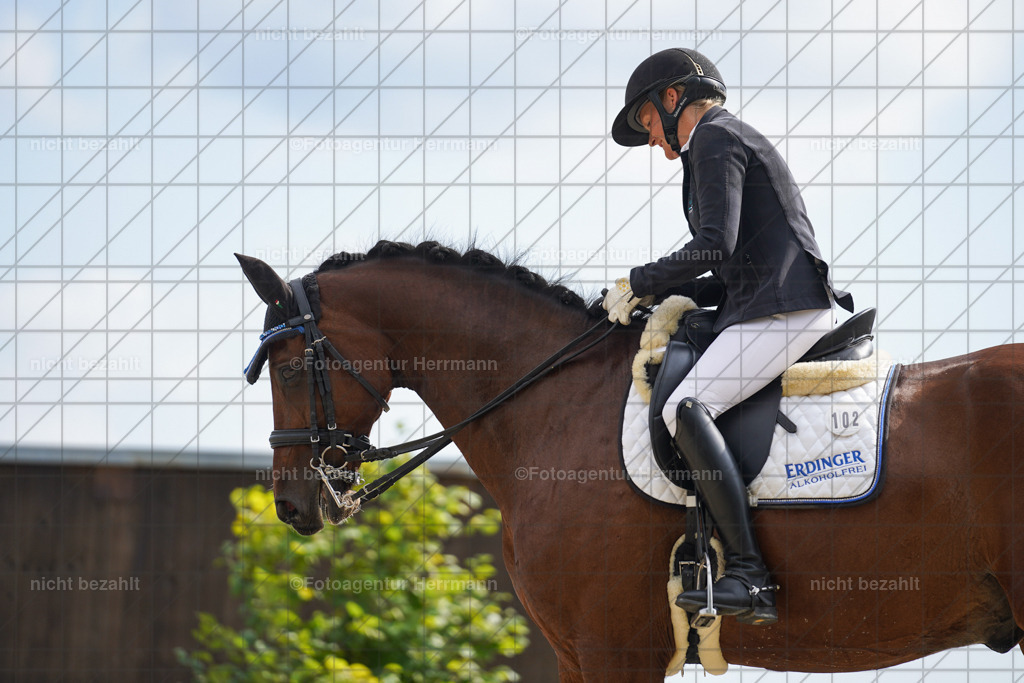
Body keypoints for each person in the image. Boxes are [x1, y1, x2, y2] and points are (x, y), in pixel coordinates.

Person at [603, 47, 854, 626]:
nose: (653, 143)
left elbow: (713, 243)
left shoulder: (715, 139)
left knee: (687, 407)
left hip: (786, 308)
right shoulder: (713, 145)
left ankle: (750, 574)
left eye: (647, 123)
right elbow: (732, 263)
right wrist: (669, 296)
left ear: (673, 98)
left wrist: (640, 281)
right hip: (765, 299)